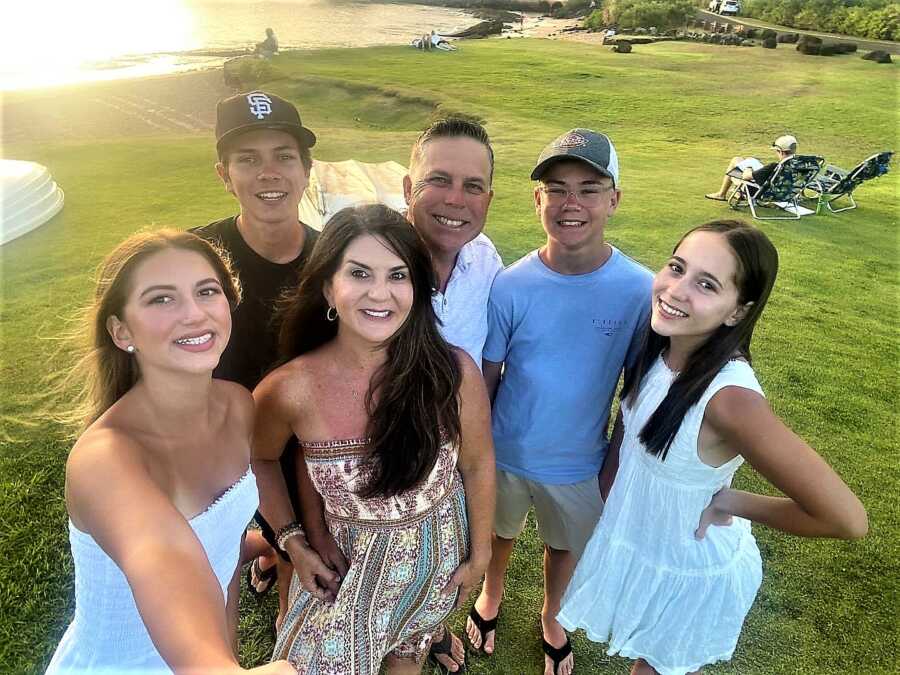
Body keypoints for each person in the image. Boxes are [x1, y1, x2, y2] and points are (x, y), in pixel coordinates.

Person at [558, 219, 868, 675]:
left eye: (706, 284)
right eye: (677, 267)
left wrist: (732, 501)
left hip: (689, 570)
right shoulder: (662, 347)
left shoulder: (730, 402)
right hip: (649, 545)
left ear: (737, 312)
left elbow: (847, 518)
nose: (676, 290)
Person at [292, 117, 502, 672]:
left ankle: (423, 633)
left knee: (416, 620)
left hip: (435, 497)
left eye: (473, 185)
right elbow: (301, 431)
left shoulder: (487, 264)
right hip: (351, 511)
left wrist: (477, 553)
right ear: (409, 189)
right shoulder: (356, 260)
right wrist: (297, 536)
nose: (456, 200)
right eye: (440, 180)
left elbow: (479, 455)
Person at [46, 230, 294, 675]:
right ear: (122, 331)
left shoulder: (237, 405)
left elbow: (217, 541)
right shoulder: (105, 461)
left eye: (207, 291)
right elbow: (161, 554)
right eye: (162, 299)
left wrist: (229, 655)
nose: (195, 314)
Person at [466, 129, 653, 675]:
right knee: (497, 534)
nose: (571, 204)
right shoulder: (511, 284)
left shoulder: (638, 290)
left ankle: (553, 615)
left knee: (563, 548)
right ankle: (491, 595)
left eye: (589, 189)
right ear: (537, 199)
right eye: (556, 188)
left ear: (614, 199)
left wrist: (612, 468)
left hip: (579, 462)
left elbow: (636, 393)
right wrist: (475, 457)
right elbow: (489, 378)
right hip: (504, 453)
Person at [192, 89, 322, 627]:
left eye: (283, 156)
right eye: (249, 159)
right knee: (212, 569)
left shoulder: (332, 261)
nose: (269, 173)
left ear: (307, 168)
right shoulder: (198, 259)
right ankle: (260, 551)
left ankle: (275, 565)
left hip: (298, 453)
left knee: (299, 562)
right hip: (218, 446)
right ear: (225, 174)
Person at [705, 135, 799, 201]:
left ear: (781, 152)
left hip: (760, 192)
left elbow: (746, 177)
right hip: (785, 193)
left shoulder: (774, 167)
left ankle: (722, 194)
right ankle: (737, 193)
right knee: (741, 160)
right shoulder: (799, 166)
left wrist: (748, 167)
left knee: (734, 167)